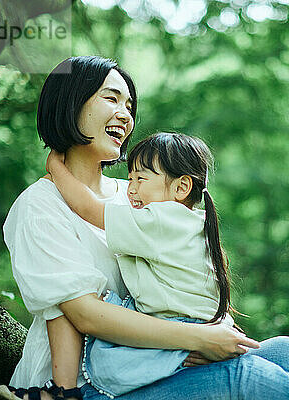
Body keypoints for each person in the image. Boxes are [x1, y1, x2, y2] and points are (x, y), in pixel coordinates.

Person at [0, 55, 289, 400]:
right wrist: (196, 338)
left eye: (129, 105)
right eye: (111, 99)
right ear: (71, 105)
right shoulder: (40, 205)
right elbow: (85, 315)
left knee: (285, 350)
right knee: (247, 376)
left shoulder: (130, 194)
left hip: (153, 357)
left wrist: (202, 335)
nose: (125, 115)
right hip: (88, 381)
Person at [43, 131, 244, 397]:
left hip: (180, 326)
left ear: (181, 188)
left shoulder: (162, 218)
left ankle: (61, 393)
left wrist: (56, 168)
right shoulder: (194, 222)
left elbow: (88, 207)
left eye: (141, 179)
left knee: (92, 332)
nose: (131, 188)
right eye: (129, 179)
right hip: (204, 324)